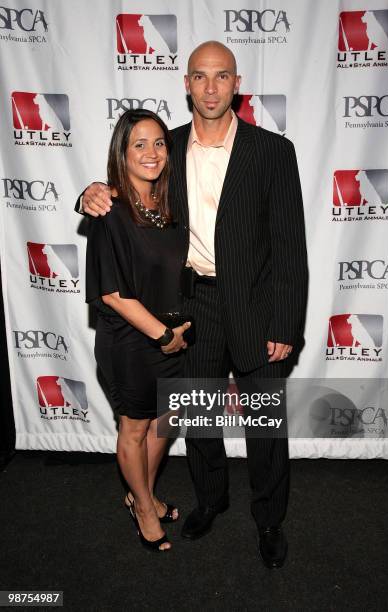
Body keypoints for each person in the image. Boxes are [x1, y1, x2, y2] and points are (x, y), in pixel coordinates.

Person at [78, 41, 308, 568]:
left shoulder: (273, 151)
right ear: (186, 83)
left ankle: (270, 520)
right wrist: (91, 191)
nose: (210, 88)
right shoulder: (165, 148)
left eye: (221, 76)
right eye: (200, 77)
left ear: (236, 83)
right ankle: (210, 501)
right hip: (191, 306)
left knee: (265, 425)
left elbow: (291, 247)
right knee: (199, 419)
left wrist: (285, 323)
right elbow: (124, 189)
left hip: (256, 304)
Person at [85, 108, 191, 552]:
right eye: (139, 144)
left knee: (166, 421)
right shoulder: (111, 209)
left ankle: (139, 494)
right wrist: (163, 336)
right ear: (122, 152)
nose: (152, 153)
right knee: (134, 427)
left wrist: (176, 335)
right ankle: (146, 510)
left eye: (159, 143)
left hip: (176, 338)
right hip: (132, 342)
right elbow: (112, 293)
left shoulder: (168, 206)